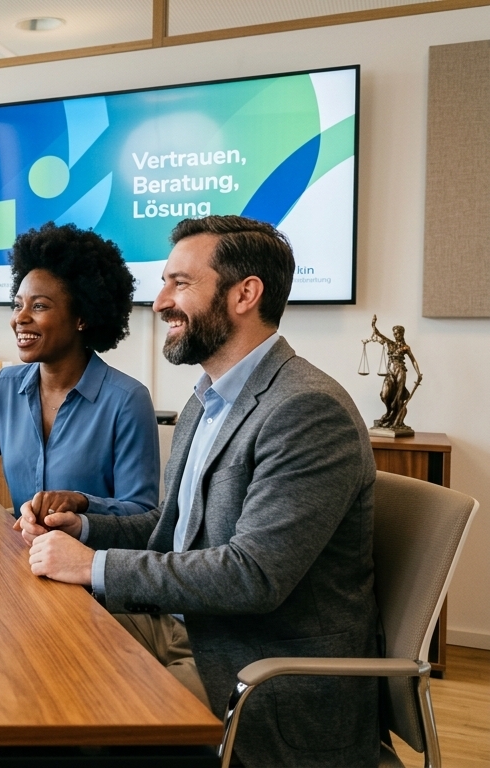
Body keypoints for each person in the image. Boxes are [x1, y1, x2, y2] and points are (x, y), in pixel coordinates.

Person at [22, 215, 379, 766]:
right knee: (31, 659)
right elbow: (176, 529)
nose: (160, 302)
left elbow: (251, 575)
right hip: (188, 631)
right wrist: (87, 528)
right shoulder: (208, 398)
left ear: (245, 294)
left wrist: (93, 567)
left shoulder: (306, 410)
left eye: (180, 284)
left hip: (258, 675)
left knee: (71, 718)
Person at [0, 222, 158, 527]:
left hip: (88, 566)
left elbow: (142, 514)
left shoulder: (127, 400)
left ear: (82, 317)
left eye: (38, 306)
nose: (20, 319)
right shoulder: (5, 388)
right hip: (20, 558)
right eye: (17, 305)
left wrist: (82, 502)